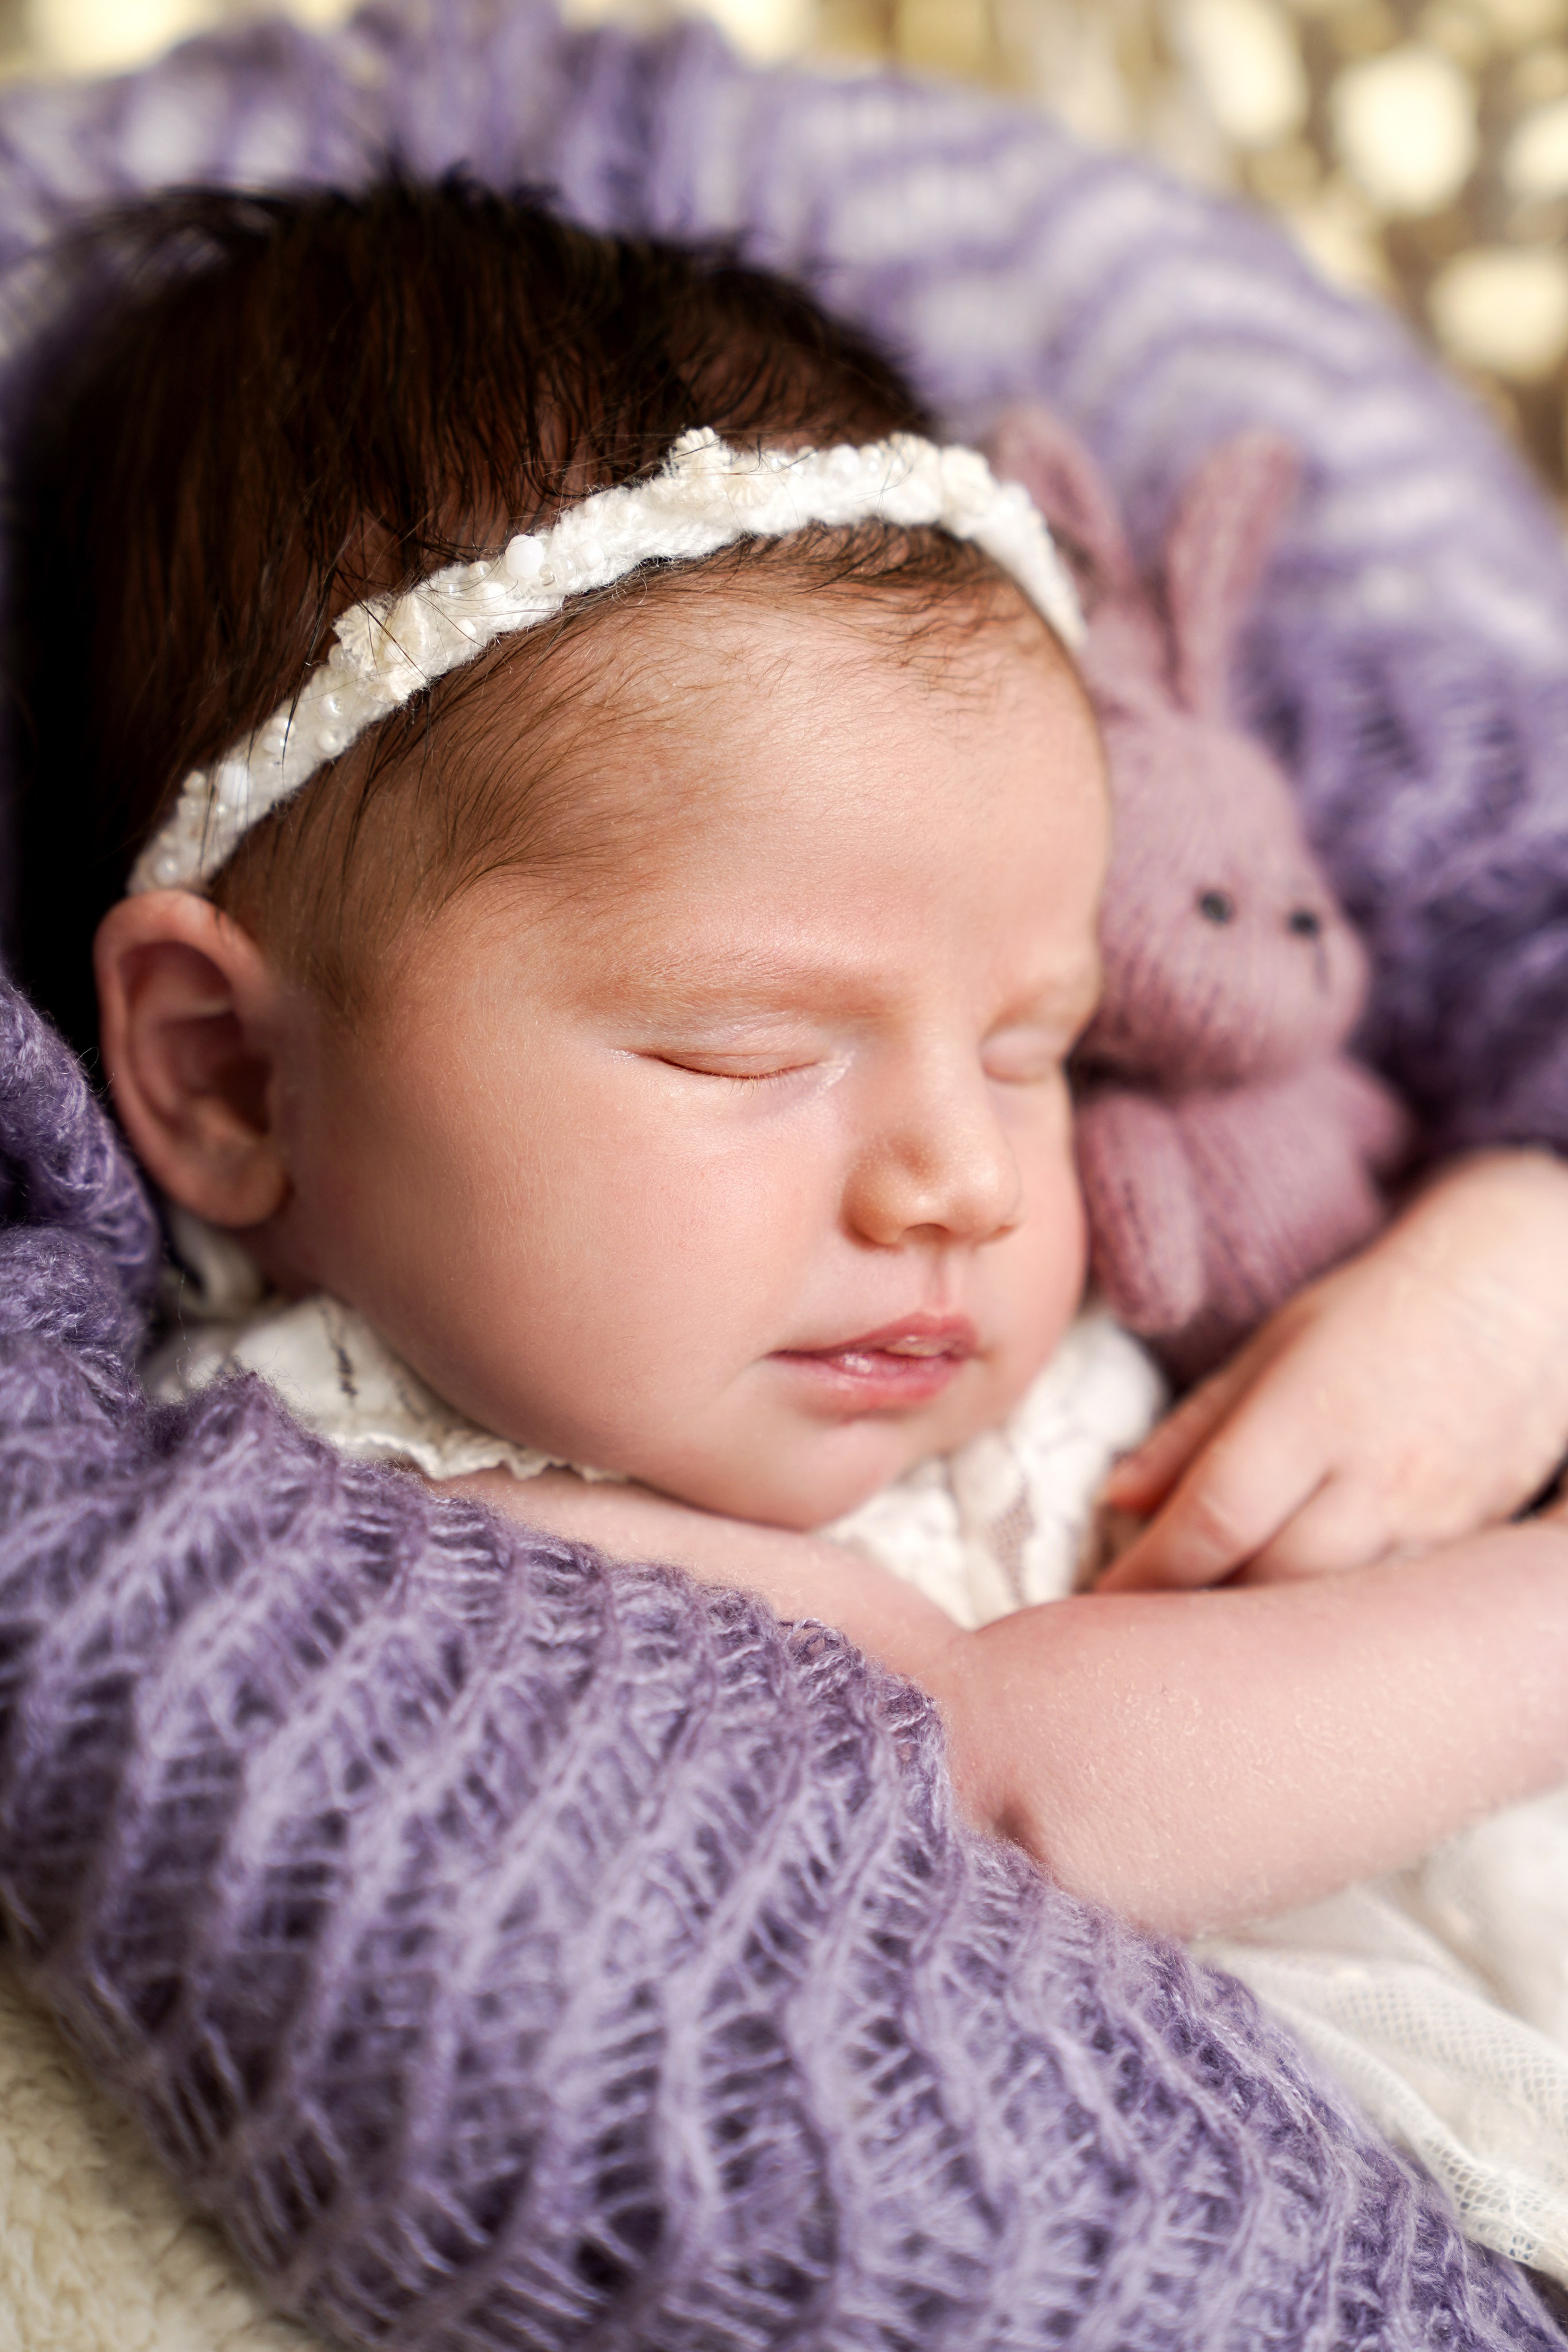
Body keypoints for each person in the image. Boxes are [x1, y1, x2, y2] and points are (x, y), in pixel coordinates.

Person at [18, 175, 1568, 1971]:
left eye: (1034, 1048)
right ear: (232, 1078)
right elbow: (1008, 1779)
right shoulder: (381, 1517)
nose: (962, 1182)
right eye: (746, 1050)